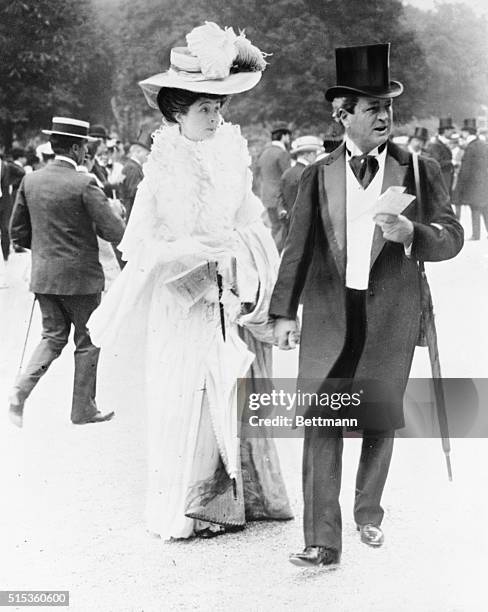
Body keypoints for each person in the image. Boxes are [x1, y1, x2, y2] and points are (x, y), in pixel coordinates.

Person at [88, 22, 292, 540]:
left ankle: (245, 498)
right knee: (192, 390)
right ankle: (195, 504)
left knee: (235, 385)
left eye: (219, 106)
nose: (216, 116)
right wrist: (190, 254)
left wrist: (242, 253)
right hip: (183, 299)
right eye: (204, 108)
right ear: (176, 112)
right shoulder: (160, 167)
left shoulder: (232, 153)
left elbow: (251, 220)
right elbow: (139, 246)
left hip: (229, 289)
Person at [269, 43, 463, 568]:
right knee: (322, 420)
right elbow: (297, 249)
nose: (384, 116)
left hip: (391, 313)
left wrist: (412, 232)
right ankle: (321, 541)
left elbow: (452, 237)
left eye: (388, 107)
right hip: (331, 314)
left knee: (377, 418)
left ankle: (368, 513)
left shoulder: (418, 170)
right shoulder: (315, 174)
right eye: (372, 107)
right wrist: (283, 312)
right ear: (343, 114)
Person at [8, 117, 126, 427]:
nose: (86, 152)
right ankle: (83, 409)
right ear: (75, 148)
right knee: (88, 339)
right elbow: (114, 231)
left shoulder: (30, 181)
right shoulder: (84, 183)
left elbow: (17, 234)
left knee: (52, 337)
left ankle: (20, 391)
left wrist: (47, 250)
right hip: (82, 280)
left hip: (45, 277)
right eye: (85, 146)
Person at [279, 135, 323, 250]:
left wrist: (284, 213)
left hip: (290, 225)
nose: (315, 157)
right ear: (307, 155)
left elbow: (280, 198)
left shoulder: (287, 173)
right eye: (314, 154)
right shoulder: (310, 173)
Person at [255, 122, 292, 250]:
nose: (289, 139)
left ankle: (271, 255)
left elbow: (257, 174)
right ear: (283, 136)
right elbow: (288, 177)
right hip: (280, 198)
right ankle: (277, 257)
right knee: (284, 228)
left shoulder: (264, 153)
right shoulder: (282, 153)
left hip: (267, 196)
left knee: (275, 227)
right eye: (288, 136)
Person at [454, 118, 488, 240]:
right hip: (484, 182)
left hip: (473, 184)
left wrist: (460, 184)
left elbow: (466, 169)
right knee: (485, 208)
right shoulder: (483, 144)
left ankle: (476, 235)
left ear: (467, 133)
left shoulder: (471, 147)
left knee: (475, 208)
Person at [120, 138, 151, 221]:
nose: (148, 157)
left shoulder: (132, 166)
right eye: (147, 154)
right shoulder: (132, 168)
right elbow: (134, 192)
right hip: (131, 212)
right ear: (138, 152)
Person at [425, 117, 455, 195]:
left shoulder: (442, 143)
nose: (453, 132)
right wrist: (452, 162)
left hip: (445, 179)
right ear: (445, 131)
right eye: (451, 130)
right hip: (440, 179)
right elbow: (435, 163)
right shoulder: (435, 145)